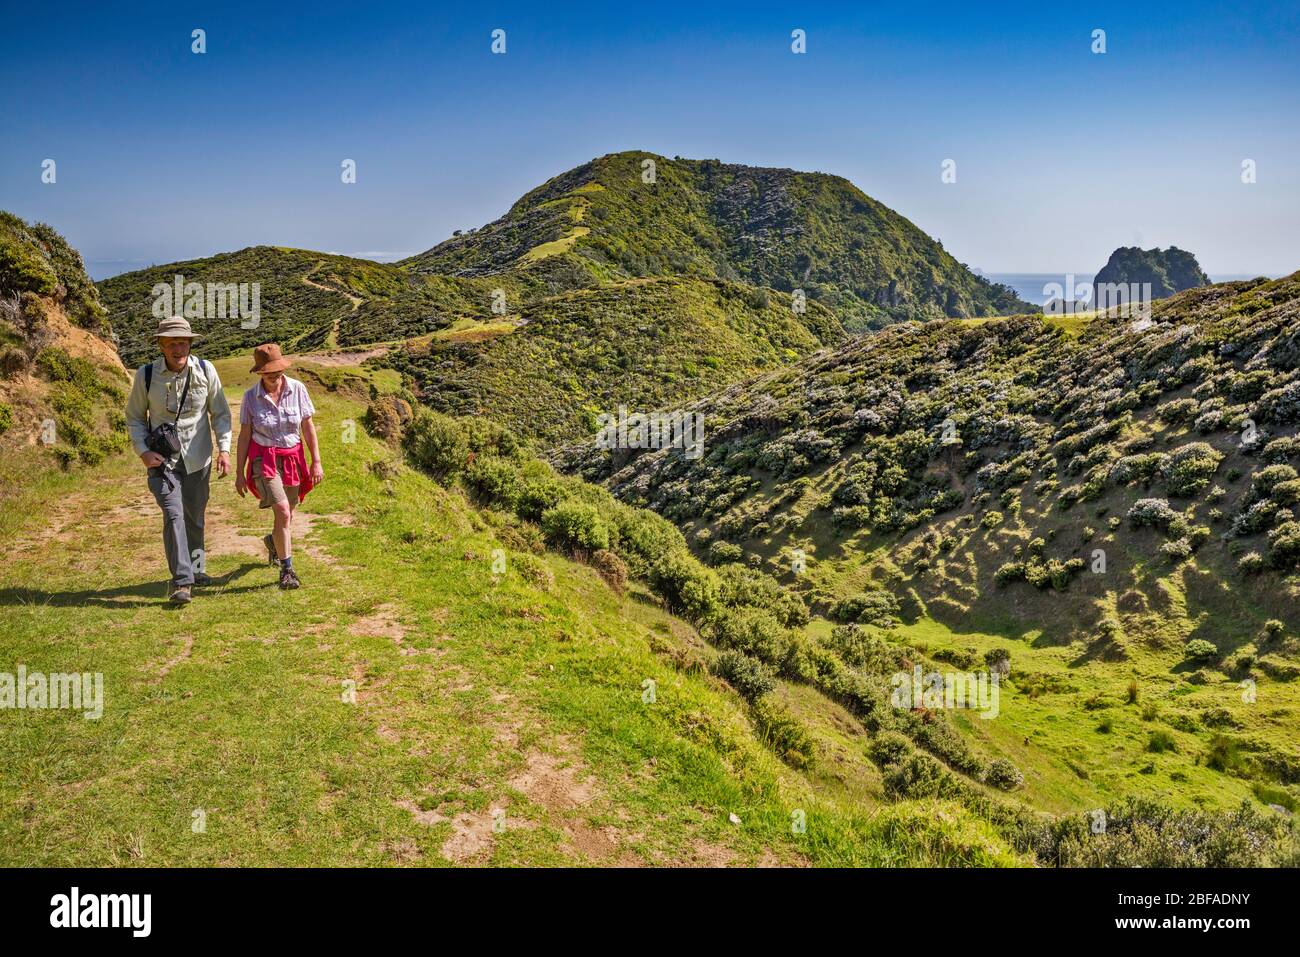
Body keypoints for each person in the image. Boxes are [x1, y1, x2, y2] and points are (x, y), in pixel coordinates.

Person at [124, 317, 232, 604]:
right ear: (160, 345)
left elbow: (220, 414)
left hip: (199, 458)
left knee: (194, 518)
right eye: (171, 342)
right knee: (174, 515)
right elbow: (134, 417)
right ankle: (182, 581)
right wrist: (143, 451)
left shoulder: (207, 371)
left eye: (183, 341)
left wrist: (225, 450)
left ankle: (197, 570)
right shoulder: (145, 376)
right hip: (162, 462)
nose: (178, 347)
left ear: (190, 343)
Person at [234, 343, 324, 589]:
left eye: (278, 370)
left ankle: (274, 543)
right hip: (265, 459)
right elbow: (244, 436)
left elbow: (307, 427)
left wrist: (316, 461)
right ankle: (287, 571)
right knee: (283, 511)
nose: (275, 375)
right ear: (259, 372)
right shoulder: (250, 398)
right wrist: (240, 472)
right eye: (269, 372)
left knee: (288, 515)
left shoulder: (297, 389)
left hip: (293, 456)